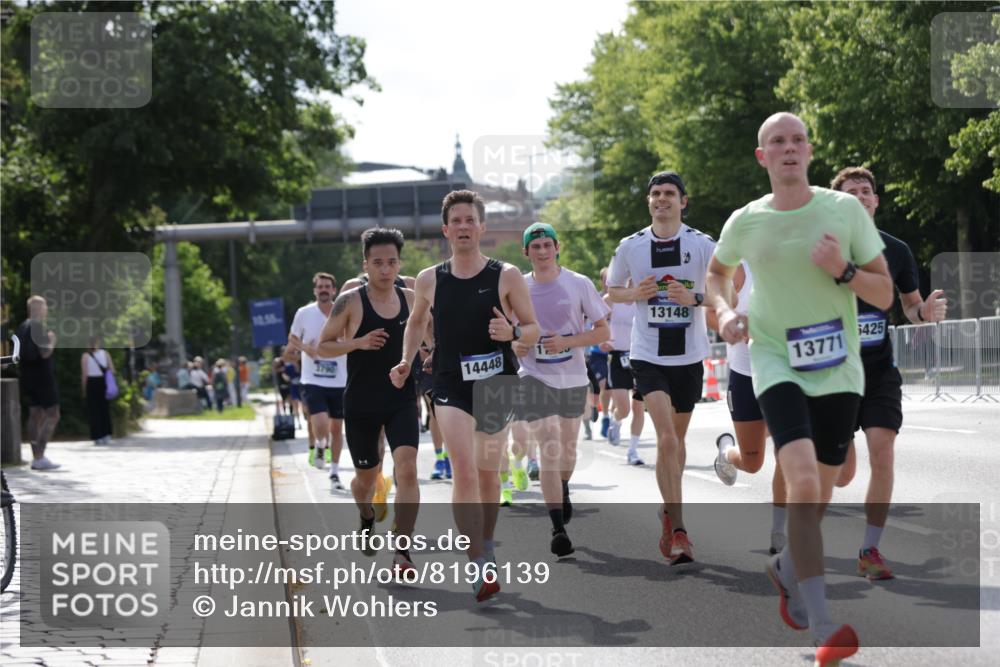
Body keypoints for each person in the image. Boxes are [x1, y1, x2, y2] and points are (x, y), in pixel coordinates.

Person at [706, 112, 892, 665]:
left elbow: (883, 293)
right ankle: (822, 626)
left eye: (797, 140)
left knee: (821, 492)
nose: (788, 149)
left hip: (838, 368)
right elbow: (716, 274)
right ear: (763, 157)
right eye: (777, 143)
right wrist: (722, 314)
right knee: (804, 480)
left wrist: (842, 270)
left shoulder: (843, 212)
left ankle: (786, 568)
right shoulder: (746, 220)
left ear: (810, 151)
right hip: (773, 358)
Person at [389, 189, 540, 602]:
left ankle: (486, 545)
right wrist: (406, 359)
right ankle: (478, 563)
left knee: (489, 474)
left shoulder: (505, 275)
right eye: (455, 221)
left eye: (469, 220)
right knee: (465, 471)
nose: (463, 227)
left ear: (481, 227)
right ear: (445, 230)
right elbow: (416, 322)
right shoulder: (428, 280)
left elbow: (532, 329)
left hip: (496, 381)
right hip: (450, 383)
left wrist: (512, 333)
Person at [827, 166, 947, 580]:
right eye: (851, 192)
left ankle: (869, 550)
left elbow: (911, 306)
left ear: (876, 201)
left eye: (867, 191)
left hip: (879, 371)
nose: (861, 196)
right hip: (834, 373)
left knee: (884, 451)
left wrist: (924, 314)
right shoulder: (825, 250)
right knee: (842, 475)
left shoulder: (895, 250)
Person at [606, 171, 717, 566]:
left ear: (683, 201)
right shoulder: (632, 246)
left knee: (677, 445)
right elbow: (612, 289)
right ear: (648, 202)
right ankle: (681, 530)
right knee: (667, 440)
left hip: (688, 356)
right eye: (655, 194)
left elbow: (726, 288)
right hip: (647, 354)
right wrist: (635, 293)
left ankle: (668, 512)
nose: (662, 199)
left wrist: (697, 296)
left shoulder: (702, 244)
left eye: (669, 193)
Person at [319, 227, 422, 575]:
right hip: (361, 402)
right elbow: (324, 345)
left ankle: (402, 552)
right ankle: (365, 515)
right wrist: (357, 343)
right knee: (367, 478)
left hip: (402, 399)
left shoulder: (411, 299)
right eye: (377, 262)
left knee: (407, 468)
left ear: (399, 264)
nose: (385, 269)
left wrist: (432, 355)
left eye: (391, 262)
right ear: (365, 264)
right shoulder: (349, 301)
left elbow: (433, 334)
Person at [510, 222, 610, 557]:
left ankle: (563, 487)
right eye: (534, 246)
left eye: (546, 245)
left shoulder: (578, 283)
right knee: (549, 445)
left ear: (557, 248)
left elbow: (602, 332)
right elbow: (505, 334)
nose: (541, 251)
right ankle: (557, 528)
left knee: (567, 452)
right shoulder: (517, 287)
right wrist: (516, 346)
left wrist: (566, 341)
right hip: (533, 375)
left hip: (573, 378)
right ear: (526, 252)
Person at [288, 272, 346, 475]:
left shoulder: (342, 312)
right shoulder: (304, 313)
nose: (323, 289)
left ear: (333, 290)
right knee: (320, 421)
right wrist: (307, 349)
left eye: (327, 286)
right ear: (315, 290)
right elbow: (293, 337)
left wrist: (341, 343)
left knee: (337, 428)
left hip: (339, 378)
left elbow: (353, 334)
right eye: (320, 286)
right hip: (312, 378)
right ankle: (321, 444)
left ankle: (335, 469)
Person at [602, 271, 646, 464]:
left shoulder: (642, 300)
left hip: (641, 358)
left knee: (639, 407)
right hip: (617, 356)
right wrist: (602, 340)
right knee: (624, 409)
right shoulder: (610, 300)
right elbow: (596, 322)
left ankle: (633, 451)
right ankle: (616, 419)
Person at [16, 295, 61, 470]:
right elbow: (45, 353)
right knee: (53, 414)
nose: (46, 310)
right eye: (44, 307)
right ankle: (40, 456)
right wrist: (52, 341)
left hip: (28, 377)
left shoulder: (22, 326)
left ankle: (36, 457)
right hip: (43, 378)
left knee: (35, 415)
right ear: (37, 309)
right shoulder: (38, 326)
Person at [81, 339, 115, 444]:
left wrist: (83, 388)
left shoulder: (85, 356)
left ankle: (97, 436)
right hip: (103, 382)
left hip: (91, 383)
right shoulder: (105, 354)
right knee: (104, 409)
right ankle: (107, 435)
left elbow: (84, 374)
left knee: (93, 410)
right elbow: (112, 370)